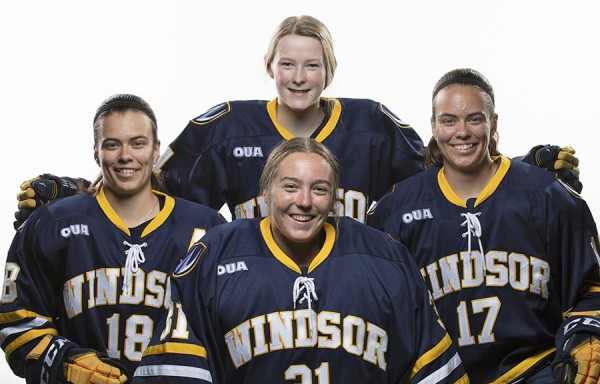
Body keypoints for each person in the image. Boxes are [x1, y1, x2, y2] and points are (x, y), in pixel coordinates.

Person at [14, 15, 580, 228]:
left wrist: (526, 168)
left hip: (351, 287)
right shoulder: (225, 126)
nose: (299, 76)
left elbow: (448, 170)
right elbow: (148, 185)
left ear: (330, 70)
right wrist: (70, 191)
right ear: (269, 67)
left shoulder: (372, 124)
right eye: (288, 63)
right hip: (258, 290)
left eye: (312, 63)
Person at [125, 137, 472, 384]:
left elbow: (428, 376)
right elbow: (177, 378)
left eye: (318, 189)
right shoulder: (215, 255)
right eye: (290, 186)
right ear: (266, 191)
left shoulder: (385, 258)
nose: (304, 201)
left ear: (335, 197)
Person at [368, 68, 600, 384]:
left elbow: (590, 286)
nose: (462, 132)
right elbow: (376, 304)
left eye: (474, 119)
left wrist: (587, 332)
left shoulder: (547, 196)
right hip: (439, 377)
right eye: (449, 121)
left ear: (493, 124)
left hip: (533, 369)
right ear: (433, 127)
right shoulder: (395, 209)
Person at [0, 94, 226, 384]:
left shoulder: (207, 227)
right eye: (112, 144)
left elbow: (231, 331)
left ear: (156, 149)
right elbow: (18, 322)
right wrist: (67, 363)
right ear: (96, 152)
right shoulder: (52, 222)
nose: (125, 155)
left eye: (137, 143)